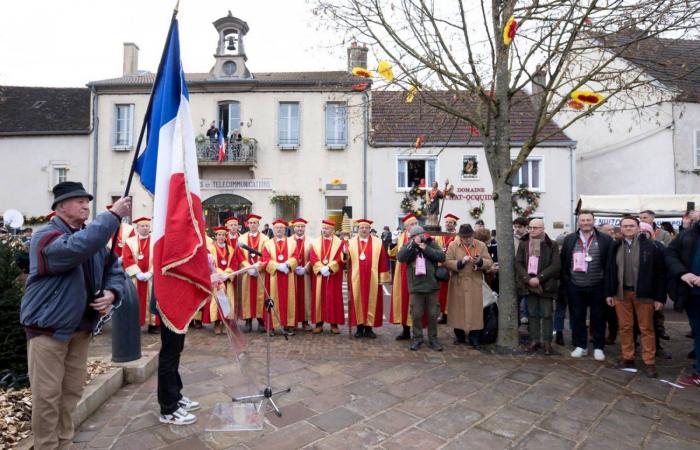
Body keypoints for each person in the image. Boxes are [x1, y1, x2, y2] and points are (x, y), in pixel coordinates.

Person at [20, 182, 129, 447]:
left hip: (80, 331)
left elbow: (114, 269)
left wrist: (112, 293)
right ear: (60, 206)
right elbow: (75, 249)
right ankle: (47, 446)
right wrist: (112, 216)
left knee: (71, 392)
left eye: (87, 201)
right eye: (79, 200)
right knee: (47, 396)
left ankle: (64, 443)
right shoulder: (45, 237)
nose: (85, 205)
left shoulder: (89, 240)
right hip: (48, 330)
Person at [605, 216, 666, 378]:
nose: (628, 228)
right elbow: (610, 271)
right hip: (621, 293)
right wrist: (609, 293)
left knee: (646, 328)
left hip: (644, 294)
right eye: (625, 226)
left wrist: (660, 298)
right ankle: (628, 358)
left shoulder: (651, 246)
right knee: (625, 327)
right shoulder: (615, 246)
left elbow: (660, 274)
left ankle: (649, 361)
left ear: (638, 227)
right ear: (621, 228)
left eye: (632, 225)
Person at [560, 211, 613, 361]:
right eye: (582, 220)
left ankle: (598, 347)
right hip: (575, 285)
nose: (585, 223)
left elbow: (609, 264)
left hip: (598, 285)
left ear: (593, 221)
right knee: (577, 316)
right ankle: (580, 346)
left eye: (588, 220)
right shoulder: (570, 239)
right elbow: (564, 261)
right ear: (578, 222)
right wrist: (567, 281)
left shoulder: (605, 239)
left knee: (599, 318)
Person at [398, 225, 446, 351]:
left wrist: (426, 249)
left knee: (432, 314)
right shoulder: (409, 246)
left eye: (420, 235)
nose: (419, 238)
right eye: (415, 236)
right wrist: (413, 245)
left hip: (432, 286)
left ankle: (433, 339)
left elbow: (442, 257)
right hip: (416, 287)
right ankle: (417, 338)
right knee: (416, 314)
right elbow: (400, 257)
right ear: (412, 237)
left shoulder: (432, 244)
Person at [516, 219, 561, 355]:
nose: (532, 230)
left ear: (543, 229)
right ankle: (534, 340)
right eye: (530, 227)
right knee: (532, 314)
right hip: (528, 284)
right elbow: (518, 263)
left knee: (547, 314)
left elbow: (556, 265)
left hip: (545, 285)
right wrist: (528, 279)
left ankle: (547, 342)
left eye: (535, 228)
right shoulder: (524, 243)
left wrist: (539, 278)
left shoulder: (551, 244)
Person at [666, 211, 700, 386]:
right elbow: (670, 255)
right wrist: (683, 273)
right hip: (692, 294)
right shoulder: (686, 235)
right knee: (698, 331)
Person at [445, 224, 492, 348]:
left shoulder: (481, 245)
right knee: (457, 310)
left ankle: (474, 337)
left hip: (474, 282)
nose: (467, 240)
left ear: (473, 235)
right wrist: (460, 262)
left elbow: (489, 262)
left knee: (475, 311)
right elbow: (448, 262)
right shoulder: (453, 245)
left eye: (469, 237)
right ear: (460, 237)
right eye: (464, 237)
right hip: (458, 282)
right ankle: (459, 335)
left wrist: (480, 262)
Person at [347, 219, 390, 338]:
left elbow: (383, 261)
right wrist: (344, 253)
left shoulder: (378, 242)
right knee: (357, 302)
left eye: (366, 227)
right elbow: (345, 261)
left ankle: (369, 328)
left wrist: (382, 278)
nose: (364, 230)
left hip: (373, 278)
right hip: (357, 277)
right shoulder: (350, 242)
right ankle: (359, 328)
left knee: (372, 302)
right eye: (362, 227)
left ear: (370, 229)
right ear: (358, 229)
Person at [122, 216, 160, 334]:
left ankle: (153, 325)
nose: (145, 228)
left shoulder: (156, 241)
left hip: (151, 278)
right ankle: (134, 324)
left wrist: (151, 272)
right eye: (142, 226)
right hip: (135, 278)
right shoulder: (129, 241)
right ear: (137, 228)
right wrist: (137, 273)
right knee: (134, 300)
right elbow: (127, 258)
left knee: (152, 300)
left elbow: (159, 258)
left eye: (147, 226)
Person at [262, 219, 298, 335]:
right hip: (273, 276)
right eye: (277, 228)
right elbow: (265, 259)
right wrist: (277, 266)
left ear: (285, 229)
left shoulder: (292, 243)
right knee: (272, 300)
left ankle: (288, 325)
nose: (279, 230)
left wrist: (287, 264)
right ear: (273, 229)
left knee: (289, 300)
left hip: (288, 275)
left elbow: (296, 257)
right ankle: (271, 326)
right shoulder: (268, 244)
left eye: (281, 228)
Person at [309, 220, 345, 334]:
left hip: (333, 275)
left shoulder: (340, 243)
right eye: (323, 228)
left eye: (327, 229)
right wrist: (321, 268)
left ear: (332, 230)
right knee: (319, 297)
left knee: (333, 298)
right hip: (320, 275)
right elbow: (313, 257)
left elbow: (341, 258)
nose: (325, 230)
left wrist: (329, 268)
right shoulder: (315, 242)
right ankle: (319, 323)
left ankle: (334, 324)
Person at [388, 213, 419, 340]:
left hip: (418, 273)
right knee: (404, 301)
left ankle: (417, 332)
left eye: (416, 223)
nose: (415, 226)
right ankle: (405, 331)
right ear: (406, 227)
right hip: (402, 273)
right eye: (412, 224)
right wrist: (393, 243)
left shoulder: (423, 236)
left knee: (417, 302)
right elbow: (393, 254)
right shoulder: (401, 237)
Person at [205, 227, 238, 334]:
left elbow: (234, 263)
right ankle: (217, 323)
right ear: (216, 236)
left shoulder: (231, 249)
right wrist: (218, 273)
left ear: (225, 237)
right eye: (219, 235)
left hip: (227, 279)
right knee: (217, 300)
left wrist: (227, 273)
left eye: (223, 235)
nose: (221, 237)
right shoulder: (210, 249)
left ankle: (225, 323)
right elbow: (208, 264)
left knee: (226, 301)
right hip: (216, 280)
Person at [239, 214, 269, 333]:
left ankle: (261, 320)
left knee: (260, 295)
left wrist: (259, 267)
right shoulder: (242, 238)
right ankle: (248, 320)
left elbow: (267, 255)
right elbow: (239, 255)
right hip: (247, 273)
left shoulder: (265, 239)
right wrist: (248, 267)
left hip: (260, 273)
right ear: (247, 224)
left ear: (258, 224)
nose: (253, 225)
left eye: (255, 223)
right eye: (250, 223)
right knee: (247, 295)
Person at [290, 218, 313, 331]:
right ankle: (292, 322)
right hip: (292, 274)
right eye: (297, 226)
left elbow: (313, 257)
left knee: (306, 297)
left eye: (302, 226)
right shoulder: (288, 241)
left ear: (304, 228)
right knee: (292, 297)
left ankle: (305, 321)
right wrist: (292, 267)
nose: (300, 228)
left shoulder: (311, 241)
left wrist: (306, 268)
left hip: (305, 274)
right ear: (294, 228)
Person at [437, 213, 459, 324]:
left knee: (452, 293)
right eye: (446, 222)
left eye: (450, 222)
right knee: (441, 293)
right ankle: (443, 315)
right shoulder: (440, 235)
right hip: (441, 267)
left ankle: (450, 315)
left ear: (454, 224)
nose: (448, 224)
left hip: (451, 268)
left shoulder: (457, 237)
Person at [513, 216, 530, 325]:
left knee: (528, 298)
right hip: (516, 273)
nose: (517, 229)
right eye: (515, 227)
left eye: (519, 227)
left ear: (525, 227)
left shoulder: (531, 238)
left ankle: (528, 318)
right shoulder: (512, 238)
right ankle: (517, 323)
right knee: (516, 299)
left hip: (528, 271)